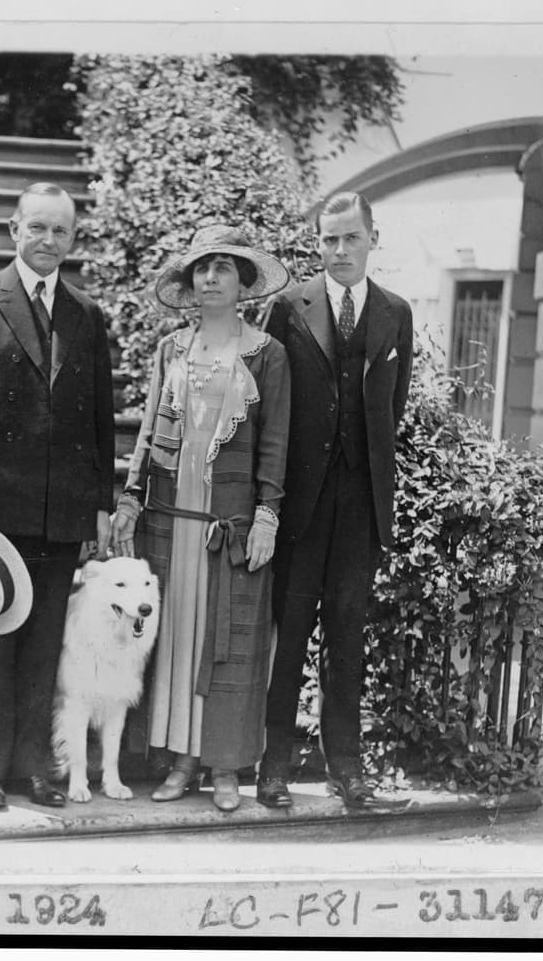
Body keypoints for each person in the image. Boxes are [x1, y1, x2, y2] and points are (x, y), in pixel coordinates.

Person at [0, 182, 115, 810]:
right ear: (14, 230)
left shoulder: (86, 314)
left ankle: (37, 766)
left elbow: (100, 415)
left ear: (73, 239)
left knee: (45, 640)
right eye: (36, 228)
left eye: (60, 231)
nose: (47, 241)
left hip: (62, 507)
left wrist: (100, 500)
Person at [112, 224, 290, 813]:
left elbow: (275, 444)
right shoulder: (172, 350)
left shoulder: (267, 355)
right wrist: (131, 496)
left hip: (229, 526)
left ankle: (225, 767)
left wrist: (266, 514)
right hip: (173, 519)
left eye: (224, 267)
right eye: (202, 268)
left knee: (230, 645)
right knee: (179, 641)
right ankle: (181, 761)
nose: (210, 278)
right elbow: (146, 435)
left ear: (244, 283)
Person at [256, 191, 413, 808]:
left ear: (373, 237)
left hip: (361, 504)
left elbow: (391, 411)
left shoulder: (395, 313)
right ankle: (273, 766)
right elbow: (270, 404)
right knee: (288, 635)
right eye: (329, 239)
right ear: (317, 243)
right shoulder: (287, 307)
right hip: (301, 503)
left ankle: (346, 768)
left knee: (346, 638)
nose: (340, 250)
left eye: (351, 237)